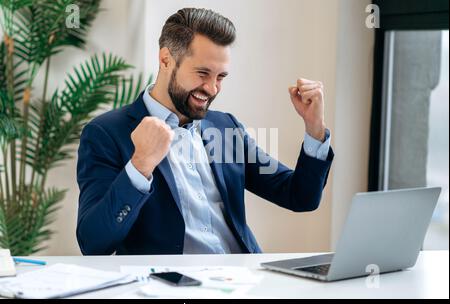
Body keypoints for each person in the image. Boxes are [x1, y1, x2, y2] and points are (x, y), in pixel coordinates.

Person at [76, 8, 334, 255]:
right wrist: (140, 165)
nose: (212, 88)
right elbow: (94, 242)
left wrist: (314, 128)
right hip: (172, 289)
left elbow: (300, 197)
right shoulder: (106, 134)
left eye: (221, 77)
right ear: (166, 59)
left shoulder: (226, 127)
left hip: (244, 281)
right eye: (202, 73)